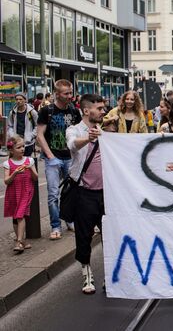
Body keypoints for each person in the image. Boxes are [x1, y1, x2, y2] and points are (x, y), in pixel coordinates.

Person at [66, 94, 105, 294]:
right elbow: (72, 144)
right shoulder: (74, 130)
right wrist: (87, 138)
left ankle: (111, 274)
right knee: (84, 236)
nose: (103, 111)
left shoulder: (104, 130)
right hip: (84, 193)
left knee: (110, 234)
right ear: (87, 110)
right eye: (99, 108)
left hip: (105, 193)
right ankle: (87, 274)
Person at [36, 79, 82, 240]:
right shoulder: (47, 111)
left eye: (71, 92)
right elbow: (39, 135)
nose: (70, 96)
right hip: (53, 158)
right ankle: (55, 226)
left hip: (70, 158)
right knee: (53, 194)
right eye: (66, 93)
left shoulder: (74, 111)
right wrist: (50, 156)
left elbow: (78, 133)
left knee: (70, 192)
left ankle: (69, 220)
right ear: (57, 94)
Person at [3, 135, 39, 253]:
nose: (22, 149)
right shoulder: (8, 163)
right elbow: (6, 181)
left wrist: (30, 169)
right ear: (11, 150)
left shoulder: (29, 161)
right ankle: (22, 240)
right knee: (15, 216)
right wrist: (15, 173)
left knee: (20, 215)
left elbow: (35, 177)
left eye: (23, 146)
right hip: (13, 193)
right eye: (19, 147)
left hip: (26, 191)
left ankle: (18, 241)